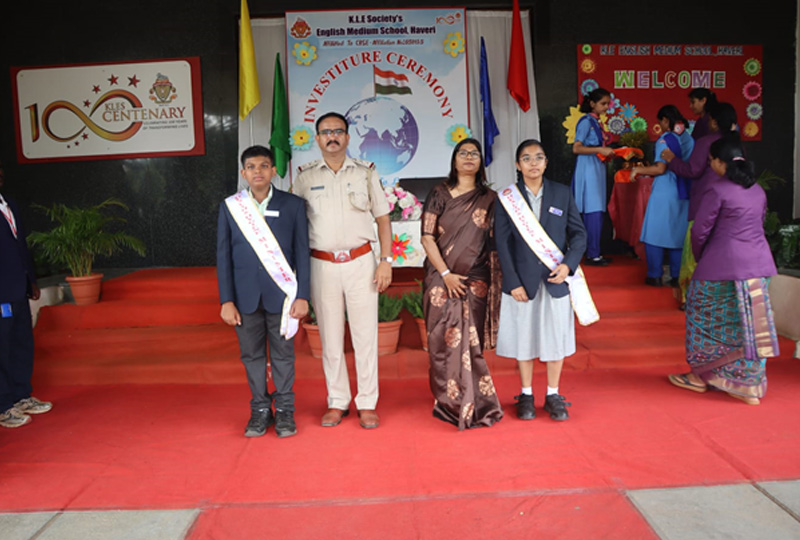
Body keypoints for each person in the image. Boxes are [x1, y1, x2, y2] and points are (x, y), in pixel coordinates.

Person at [293, 112, 393, 430]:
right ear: (317, 138)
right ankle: (337, 401)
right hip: (321, 264)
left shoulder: (365, 173)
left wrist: (385, 261)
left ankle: (366, 402)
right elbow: (295, 227)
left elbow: (383, 220)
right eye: (325, 132)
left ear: (348, 137)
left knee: (365, 336)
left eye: (338, 131)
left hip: (361, 262)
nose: (332, 136)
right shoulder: (305, 177)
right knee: (330, 338)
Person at [668, 135, 778, 405]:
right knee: (750, 324)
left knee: (703, 318)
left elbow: (700, 231)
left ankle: (700, 377)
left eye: (710, 161)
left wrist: (701, 258)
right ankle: (748, 385)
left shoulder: (717, 189)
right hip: (759, 267)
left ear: (718, 163)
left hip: (721, 266)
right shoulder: (757, 191)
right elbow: (760, 223)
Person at [217, 146, 310, 438]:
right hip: (244, 298)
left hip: (282, 297)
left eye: (264, 165)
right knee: (252, 356)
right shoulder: (231, 206)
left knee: (283, 355)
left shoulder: (293, 205)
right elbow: (223, 256)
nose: (258, 171)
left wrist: (303, 295)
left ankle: (284, 410)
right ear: (243, 172)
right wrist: (226, 300)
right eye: (252, 167)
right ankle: (259, 409)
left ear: (273, 171)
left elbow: (302, 253)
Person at [495, 140, 588, 421]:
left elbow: (579, 235)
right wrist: (512, 282)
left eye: (538, 157)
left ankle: (552, 394)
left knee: (555, 337)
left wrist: (568, 266)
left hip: (555, 280)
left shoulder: (561, 193)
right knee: (524, 338)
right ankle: (525, 394)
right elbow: (502, 243)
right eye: (526, 158)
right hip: (522, 283)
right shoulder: (506, 198)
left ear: (546, 162)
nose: (533, 163)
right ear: (517, 164)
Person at [420, 138, 503, 430]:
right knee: (441, 340)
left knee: (471, 343)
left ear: (481, 161)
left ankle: (474, 401)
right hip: (440, 279)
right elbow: (427, 237)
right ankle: (447, 400)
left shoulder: (490, 198)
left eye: (475, 153)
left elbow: (496, 243)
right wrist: (445, 274)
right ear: (454, 160)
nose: (469, 157)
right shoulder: (439, 193)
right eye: (463, 153)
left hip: (476, 280)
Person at [661, 102, 738, 305]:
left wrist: (671, 159)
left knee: (694, 251)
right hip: (732, 206)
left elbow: (692, 170)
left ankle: (691, 298)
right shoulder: (736, 143)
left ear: (713, 121)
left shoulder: (706, 142)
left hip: (705, 203)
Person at [0, 159, 51, 429]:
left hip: (17, 287)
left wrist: (31, 280)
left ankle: (21, 395)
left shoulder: (10, 204)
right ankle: (3, 405)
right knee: (2, 348)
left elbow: (20, 247)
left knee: (21, 343)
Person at [630, 105, 694, 287]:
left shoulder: (664, 140)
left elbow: (660, 168)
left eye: (661, 121)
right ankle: (676, 276)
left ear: (666, 120)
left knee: (654, 233)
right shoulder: (688, 139)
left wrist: (639, 169)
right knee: (677, 234)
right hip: (684, 190)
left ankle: (655, 274)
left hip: (665, 190)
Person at [572, 87, 615, 266]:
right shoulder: (586, 122)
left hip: (596, 169)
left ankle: (594, 251)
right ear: (592, 103)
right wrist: (599, 149)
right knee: (592, 211)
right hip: (588, 170)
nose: (606, 107)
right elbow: (576, 148)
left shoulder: (596, 122)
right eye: (603, 103)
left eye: (607, 103)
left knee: (596, 211)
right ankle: (592, 254)